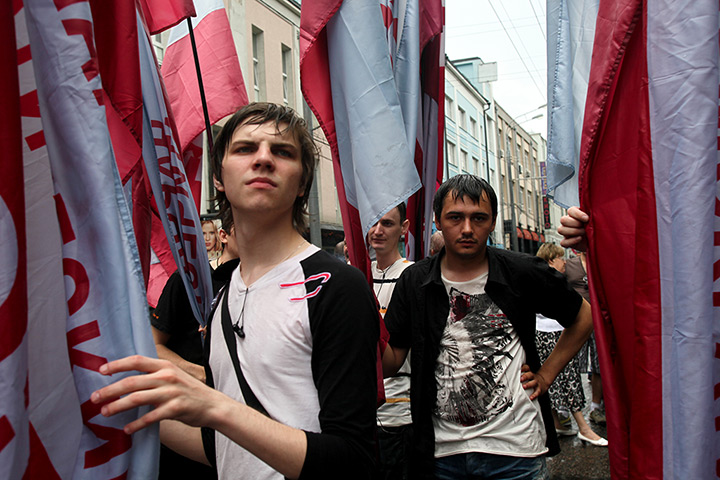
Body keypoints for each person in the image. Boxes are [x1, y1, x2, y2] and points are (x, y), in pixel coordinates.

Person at [93, 103, 379, 479]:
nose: (263, 159)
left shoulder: (338, 286)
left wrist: (214, 407)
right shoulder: (223, 295)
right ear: (219, 179)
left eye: (283, 151)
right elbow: (224, 448)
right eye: (245, 148)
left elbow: (353, 460)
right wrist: (125, 402)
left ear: (302, 184)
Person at [382, 174, 593, 479]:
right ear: (438, 221)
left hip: (515, 451)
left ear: (493, 222)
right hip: (442, 454)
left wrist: (546, 375)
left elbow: (582, 317)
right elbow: (391, 362)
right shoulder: (415, 281)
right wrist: (368, 323)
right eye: (455, 217)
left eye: (478, 218)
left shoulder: (522, 271)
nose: (467, 229)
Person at [151, 211, 239, 479]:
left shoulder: (267, 288)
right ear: (223, 236)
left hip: (238, 424)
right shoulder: (188, 281)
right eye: (243, 227)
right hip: (187, 421)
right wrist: (202, 374)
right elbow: (152, 346)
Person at [534, 244, 607, 447]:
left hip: (551, 331)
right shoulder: (546, 281)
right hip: (551, 332)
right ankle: (583, 427)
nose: (564, 261)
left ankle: (560, 424)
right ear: (550, 260)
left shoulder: (553, 280)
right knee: (567, 377)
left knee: (562, 378)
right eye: (559, 258)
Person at [367, 202, 413, 479]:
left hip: (401, 414)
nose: (377, 230)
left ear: (404, 228)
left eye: (387, 223)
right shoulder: (354, 276)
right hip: (360, 414)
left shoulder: (413, 276)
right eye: (373, 222)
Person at [565, 251, 606, 425]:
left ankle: (595, 406)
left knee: (598, 365)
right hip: (577, 320)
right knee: (570, 364)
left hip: (599, 321)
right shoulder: (569, 264)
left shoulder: (601, 261)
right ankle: (566, 408)